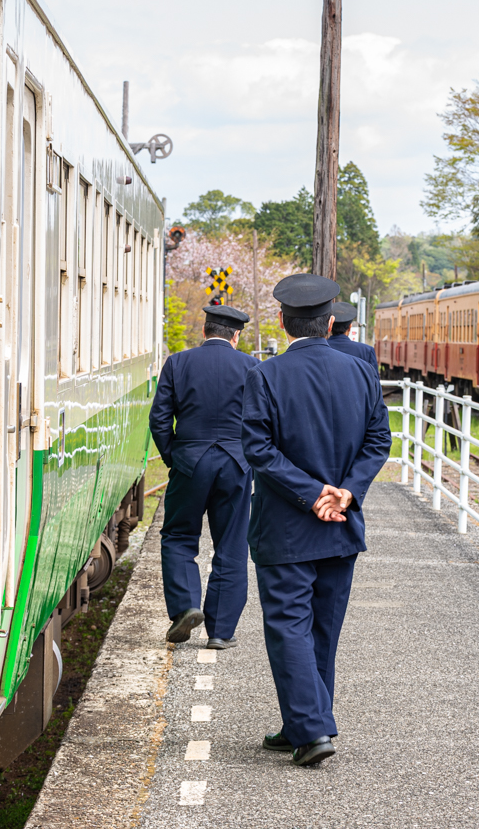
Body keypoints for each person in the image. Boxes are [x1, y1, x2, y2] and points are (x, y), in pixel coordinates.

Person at [241, 273, 391, 767]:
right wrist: (346, 491)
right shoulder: (362, 373)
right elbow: (378, 443)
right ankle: (301, 721)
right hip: (341, 524)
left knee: (288, 626)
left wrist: (311, 494)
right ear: (330, 322)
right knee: (322, 630)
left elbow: (258, 449)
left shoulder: (266, 376)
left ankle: (311, 730)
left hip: (286, 527)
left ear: (283, 322)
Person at [149, 304, 259, 649]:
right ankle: (221, 630)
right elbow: (263, 423)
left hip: (190, 461)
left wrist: (174, 456)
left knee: (179, 536)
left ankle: (185, 607)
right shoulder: (253, 367)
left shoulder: (178, 363)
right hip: (236, 464)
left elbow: (159, 419)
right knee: (232, 543)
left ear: (204, 330)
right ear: (236, 336)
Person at [327, 301, 378, 370]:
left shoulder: (318, 349)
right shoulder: (366, 351)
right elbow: (374, 380)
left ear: (330, 325)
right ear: (350, 327)